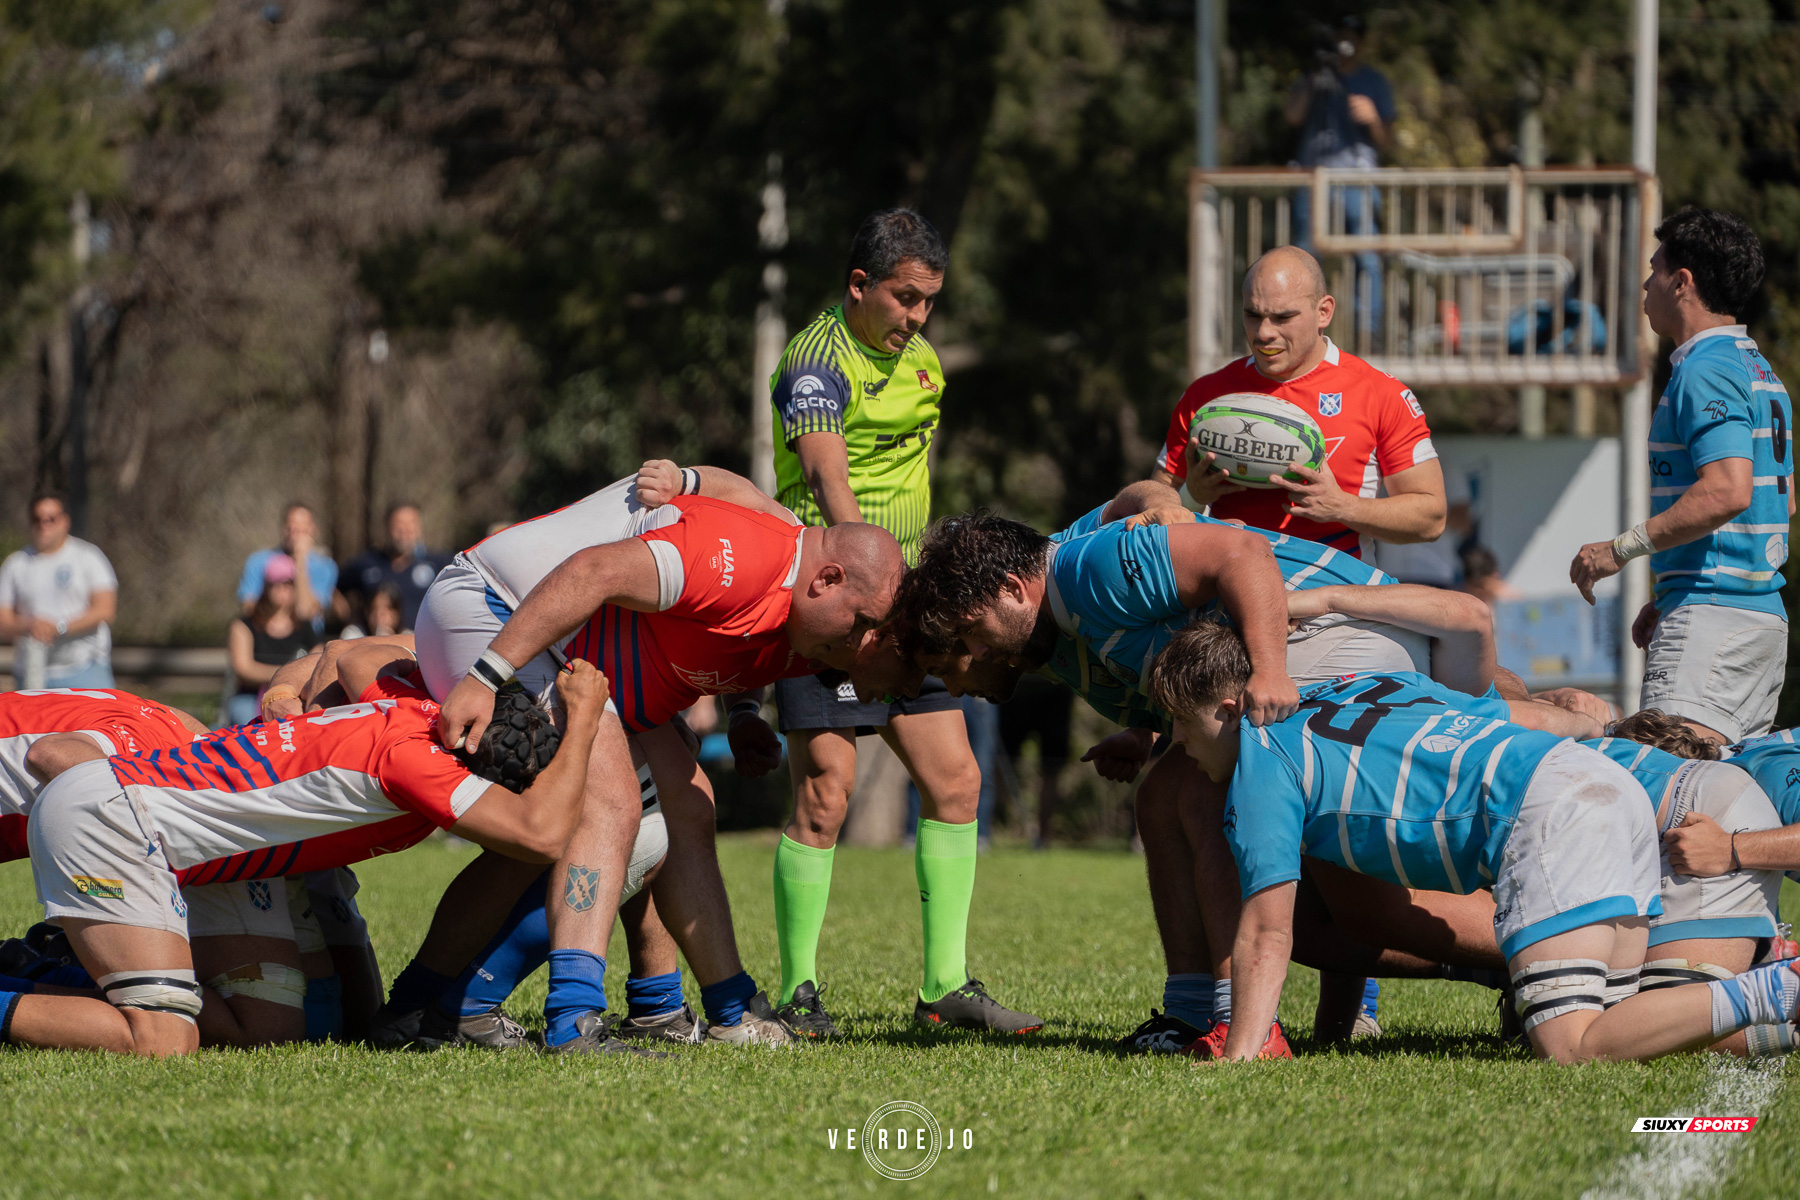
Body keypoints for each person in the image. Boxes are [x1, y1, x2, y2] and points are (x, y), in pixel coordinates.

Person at [1147, 620, 1800, 1064]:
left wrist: (1244, 1049)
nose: (1178, 746)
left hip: (1546, 813)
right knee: (1634, 1027)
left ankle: (1778, 988)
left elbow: (1266, 934)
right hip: (1605, 785)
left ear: (1231, 709)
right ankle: (1774, 1006)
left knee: (1571, 1046)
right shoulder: (1363, 685)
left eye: (1182, 726)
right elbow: (1508, 709)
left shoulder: (1262, 757)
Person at [405, 476, 901, 1051]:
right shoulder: (746, 559)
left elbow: (740, 643)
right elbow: (593, 571)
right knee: (615, 805)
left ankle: (720, 1009)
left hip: (565, 646)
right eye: (863, 624)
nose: (862, 642)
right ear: (829, 579)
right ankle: (571, 1019)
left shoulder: (808, 603)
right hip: (493, 609)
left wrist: (742, 713)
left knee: (687, 804)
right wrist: (486, 676)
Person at [4, 654, 607, 1056]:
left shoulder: (407, 701)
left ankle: (66, 965)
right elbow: (543, 835)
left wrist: (287, 688)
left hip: (184, 846)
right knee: (162, 1039)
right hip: (114, 820)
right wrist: (582, 720)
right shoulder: (418, 763)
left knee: (308, 1020)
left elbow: (350, 650)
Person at [757, 208, 1040, 1037]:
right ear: (859, 286)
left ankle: (943, 990)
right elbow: (828, 483)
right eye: (904, 298)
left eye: (928, 303)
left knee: (956, 784)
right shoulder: (816, 361)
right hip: (837, 606)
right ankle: (799, 993)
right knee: (826, 795)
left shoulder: (921, 365)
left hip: (912, 607)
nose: (917, 318)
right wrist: (867, 600)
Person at [1571, 209, 1792, 745]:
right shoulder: (1755, 365)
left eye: (1654, 270)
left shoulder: (1706, 367)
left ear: (1682, 282)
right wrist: (1673, 589)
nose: (1646, 285)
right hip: (1755, 618)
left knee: (1667, 795)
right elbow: (1779, 506)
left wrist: (1619, 549)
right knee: (1715, 799)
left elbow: (1727, 490)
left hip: (1715, 621)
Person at [0, 689, 312, 1049]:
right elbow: (53, 754)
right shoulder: (157, 736)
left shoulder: (175, 730)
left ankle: (32, 969)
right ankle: (39, 972)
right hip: (110, 793)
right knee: (166, 1034)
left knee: (270, 1024)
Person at [1152, 247, 1445, 559]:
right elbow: (1157, 505)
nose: (1264, 333)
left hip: (1331, 596)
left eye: (1283, 317)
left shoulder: (1380, 393)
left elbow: (1431, 518)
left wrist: (1343, 507)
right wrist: (1193, 497)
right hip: (1227, 593)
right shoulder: (1208, 395)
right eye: (1253, 315)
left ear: (1324, 312)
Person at [1283, 14, 1394, 337]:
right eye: (1340, 37)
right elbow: (1292, 116)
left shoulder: (1374, 81)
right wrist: (1316, 80)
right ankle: (1299, 330)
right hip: (1314, 178)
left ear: (1361, 42)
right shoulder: (1314, 77)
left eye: (1352, 38)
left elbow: (1387, 139)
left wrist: (1372, 118)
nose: (1345, 45)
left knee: (1366, 257)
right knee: (1304, 255)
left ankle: (1369, 336)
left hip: (1358, 179)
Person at [0, 493, 118, 689]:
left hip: (84, 668)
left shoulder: (88, 557)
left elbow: (105, 610)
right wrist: (31, 626)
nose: (44, 524)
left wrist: (59, 627)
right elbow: (4, 619)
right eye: (37, 519)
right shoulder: (16, 564)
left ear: (65, 521)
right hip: (33, 672)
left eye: (51, 519)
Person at [224, 553, 318, 727]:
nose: (282, 588)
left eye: (288, 583)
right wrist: (288, 674)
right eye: (277, 582)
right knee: (244, 718)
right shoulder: (244, 625)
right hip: (251, 696)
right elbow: (243, 668)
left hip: (295, 695)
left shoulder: (304, 626)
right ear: (266, 585)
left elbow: (319, 660)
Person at [339, 503, 449, 631]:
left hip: (420, 645)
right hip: (375, 645)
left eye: (411, 524)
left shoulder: (438, 564)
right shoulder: (366, 563)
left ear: (419, 528)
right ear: (387, 527)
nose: (405, 530)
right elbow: (334, 589)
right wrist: (350, 618)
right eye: (399, 524)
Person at [237, 502, 336, 636]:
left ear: (314, 530)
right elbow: (248, 607)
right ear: (283, 528)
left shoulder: (325, 567)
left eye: (303, 528)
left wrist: (300, 561)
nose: (295, 533)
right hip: (265, 639)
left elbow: (307, 612)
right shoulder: (258, 561)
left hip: (306, 643)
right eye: (292, 526)